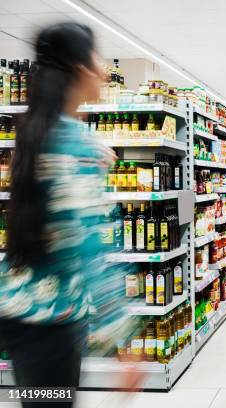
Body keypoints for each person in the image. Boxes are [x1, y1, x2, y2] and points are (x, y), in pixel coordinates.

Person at [0, 23, 140, 407]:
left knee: (40, 400)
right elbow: (88, 247)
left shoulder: (38, 131)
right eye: (96, 57)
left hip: (18, 310)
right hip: (52, 320)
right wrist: (120, 337)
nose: (102, 68)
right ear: (80, 69)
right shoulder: (74, 141)